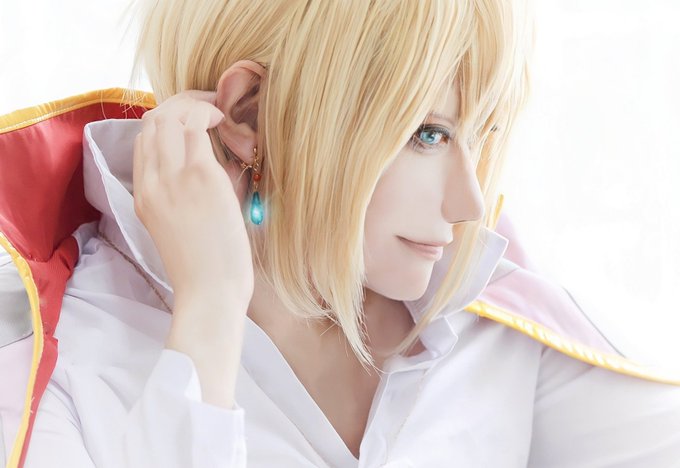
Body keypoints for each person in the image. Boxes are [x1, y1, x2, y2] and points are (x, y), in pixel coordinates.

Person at [0, 0, 679, 467]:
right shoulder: (48, 363)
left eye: (481, 134)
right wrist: (209, 311)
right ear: (250, 114)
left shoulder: (490, 318)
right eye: (428, 134)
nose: (470, 202)